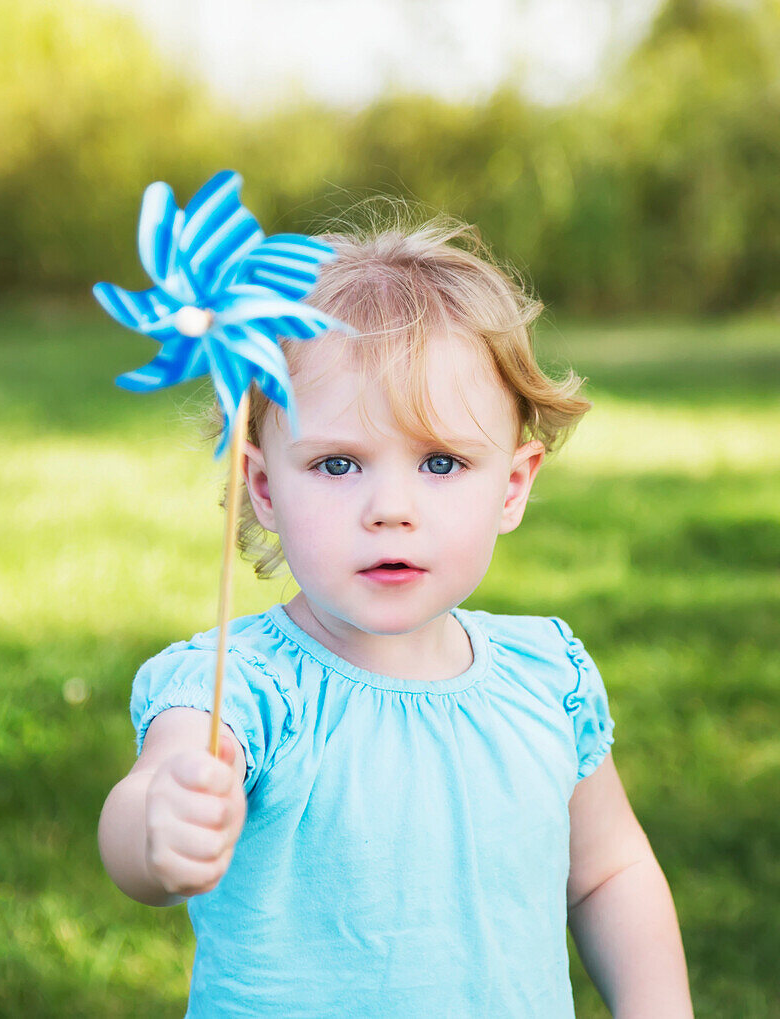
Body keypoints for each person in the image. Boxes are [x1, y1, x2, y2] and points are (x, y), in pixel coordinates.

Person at [98, 216, 693, 1017]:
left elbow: (607, 869)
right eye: (337, 463)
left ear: (512, 485)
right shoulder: (240, 689)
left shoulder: (548, 675)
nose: (390, 509)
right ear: (264, 487)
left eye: (441, 462)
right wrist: (158, 827)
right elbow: (146, 802)